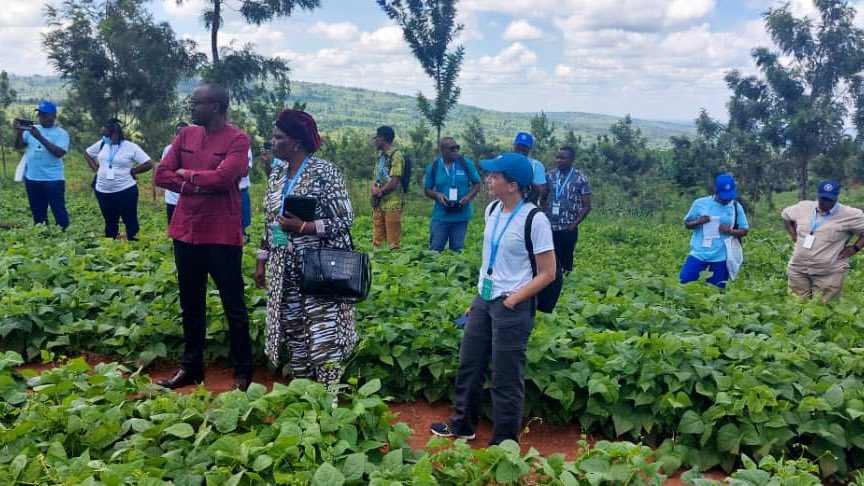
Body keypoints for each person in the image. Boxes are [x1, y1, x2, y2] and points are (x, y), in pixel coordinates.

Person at [430, 152, 557, 445]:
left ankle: (504, 442)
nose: (488, 179)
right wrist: (479, 296)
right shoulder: (491, 210)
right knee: (470, 364)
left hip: (513, 304)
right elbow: (491, 258)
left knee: (506, 377)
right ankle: (463, 424)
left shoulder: (534, 220)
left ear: (512, 185)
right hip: (484, 299)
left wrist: (513, 300)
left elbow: (547, 272)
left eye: (495, 176)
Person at [153, 83, 253, 391]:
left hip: (221, 234)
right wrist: (194, 185)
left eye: (197, 103)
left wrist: (189, 175)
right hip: (186, 231)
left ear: (217, 107)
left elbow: (226, 178)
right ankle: (191, 367)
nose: (192, 107)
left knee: (233, 304)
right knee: (190, 302)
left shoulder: (238, 139)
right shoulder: (185, 135)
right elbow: (161, 174)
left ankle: (242, 372)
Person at [253, 110, 357, 389]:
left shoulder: (325, 172)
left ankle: (328, 395)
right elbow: (271, 221)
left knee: (323, 330)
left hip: (319, 267)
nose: (272, 143)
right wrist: (262, 260)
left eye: (278, 138)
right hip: (284, 266)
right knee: (294, 328)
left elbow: (345, 219)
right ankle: (303, 390)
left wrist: (305, 227)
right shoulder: (276, 174)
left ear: (296, 142)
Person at [781, 180, 864, 301]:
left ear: (836, 198)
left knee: (823, 311)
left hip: (828, 273)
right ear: (818, 196)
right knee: (796, 308)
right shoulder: (804, 206)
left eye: (829, 199)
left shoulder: (850, 215)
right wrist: (794, 236)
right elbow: (786, 215)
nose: (825, 202)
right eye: (823, 198)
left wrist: (854, 248)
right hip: (798, 270)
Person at [83, 119, 153, 240]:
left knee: (130, 222)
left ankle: (135, 247)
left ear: (114, 134)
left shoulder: (130, 147)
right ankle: (111, 247)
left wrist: (133, 171)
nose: (103, 137)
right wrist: (96, 169)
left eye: (106, 135)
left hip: (125, 190)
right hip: (103, 191)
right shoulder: (102, 144)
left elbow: (148, 163)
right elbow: (87, 153)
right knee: (110, 222)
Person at [680, 174, 749, 288]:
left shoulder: (736, 207)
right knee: (683, 283)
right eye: (724, 197)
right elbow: (687, 224)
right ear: (716, 191)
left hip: (721, 255)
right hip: (699, 252)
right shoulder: (700, 203)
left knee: (716, 291)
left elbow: (744, 230)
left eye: (729, 197)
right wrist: (698, 222)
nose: (727, 200)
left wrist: (730, 231)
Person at [13, 101, 71, 229]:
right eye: (39, 114)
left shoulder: (61, 133)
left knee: (58, 210)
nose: (41, 117)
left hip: (53, 179)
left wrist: (39, 138)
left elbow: (59, 153)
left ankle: (64, 235)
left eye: (44, 115)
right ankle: (43, 236)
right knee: (38, 212)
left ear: (53, 115)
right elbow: (18, 146)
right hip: (33, 178)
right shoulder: (33, 129)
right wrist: (19, 131)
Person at [423, 137, 481, 252]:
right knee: (434, 250)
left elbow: (477, 183)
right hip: (441, 215)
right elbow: (427, 189)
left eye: (457, 147)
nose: (456, 151)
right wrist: (437, 195)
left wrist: (468, 197)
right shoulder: (434, 167)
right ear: (442, 151)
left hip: (461, 215)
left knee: (457, 251)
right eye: (452, 148)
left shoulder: (465, 163)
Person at [543, 146, 591, 273]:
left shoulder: (580, 178)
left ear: (571, 160)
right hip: (549, 227)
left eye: (563, 158)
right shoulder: (549, 176)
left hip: (567, 228)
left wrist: (573, 225)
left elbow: (587, 206)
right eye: (557, 157)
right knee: (549, 260)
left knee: (566, 262)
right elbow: (542, 197)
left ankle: (567, 286)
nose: (559, 160)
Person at [371, 126, 405, 250]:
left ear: (383, 138)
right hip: (379, 204)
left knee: (392, 243)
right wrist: (373, 191)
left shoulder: (396, 155)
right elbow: (377, 179)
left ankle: (393, 267)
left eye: (377, 137)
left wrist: (378, 192)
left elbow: (394, 182)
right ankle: (378, 266)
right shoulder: (381, 157)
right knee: (377, 241)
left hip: (392, 204)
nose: (374, 139)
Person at [161, 122, 189, 223]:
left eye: (184, 133)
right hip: (172, 198)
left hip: (189, 198)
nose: (181, 136)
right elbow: (163, 171)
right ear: (175, 134)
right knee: (174, 229)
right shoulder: (168, 149)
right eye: (179, 133)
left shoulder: (195, 150)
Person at [513, 132, 547, 202]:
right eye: (519, 146)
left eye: (525, 148)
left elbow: (542, 191)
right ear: (514, 145)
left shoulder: (536, 165)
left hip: (528, 205)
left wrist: (527, 181)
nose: (521, 150)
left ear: (530, 148)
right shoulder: (506, 162)